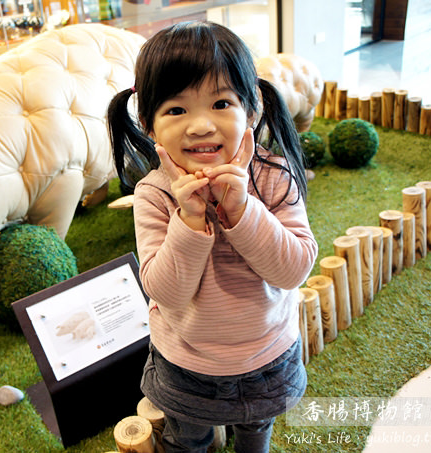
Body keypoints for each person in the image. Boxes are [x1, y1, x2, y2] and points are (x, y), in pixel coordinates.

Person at [107, 21, 318, 453]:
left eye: (221, 102)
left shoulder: (273, 178)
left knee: (256, 433)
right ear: (148, 125)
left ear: (252, 110)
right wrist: (188, 220)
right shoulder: (154, 194)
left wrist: (241, 210)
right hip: (188, 365)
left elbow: (293, 268)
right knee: (189, 439)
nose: (201, 126)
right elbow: (167, 292)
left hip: (267, 356)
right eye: (176, 110)